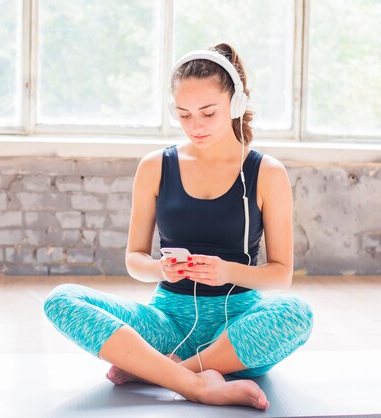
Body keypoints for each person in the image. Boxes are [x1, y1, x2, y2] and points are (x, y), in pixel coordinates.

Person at [43, 42, 314, 410]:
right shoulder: (155, 166)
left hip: (236, 332)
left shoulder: (266, 173)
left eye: (207, 113)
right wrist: (158, 269)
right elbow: (134, 259)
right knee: (62, 299)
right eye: (184, 115)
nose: (195, 126)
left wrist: (227, 271)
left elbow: (281, 275)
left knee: (296, 314)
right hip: (166, 323)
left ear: (235, 105)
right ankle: (197, 385)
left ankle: (159, 371)